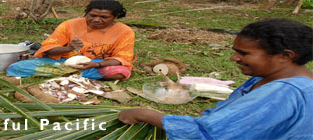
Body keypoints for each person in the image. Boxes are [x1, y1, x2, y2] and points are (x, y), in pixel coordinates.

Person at [118, 19, 313, 139]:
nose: (234, 58)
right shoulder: (272, 79)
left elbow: (208, 135)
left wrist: (145, 114)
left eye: (243, 53)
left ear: (285, 56)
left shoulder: (282, 92)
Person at [6, 0, 134, 80]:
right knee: (17, 67)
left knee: (119, 72)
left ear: (115, 16)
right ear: (86, 13)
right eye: (92, 15)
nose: (96, 20)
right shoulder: (69, 25)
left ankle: (62, 75)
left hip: (97, 64)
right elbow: (47, 49)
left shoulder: (124, 31)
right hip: (62, 62)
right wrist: (69, 48)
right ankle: (72, 74)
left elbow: (122, 58)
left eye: (103, 17)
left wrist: (96, 64)